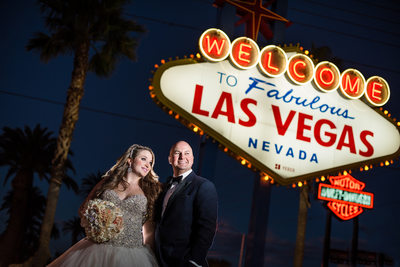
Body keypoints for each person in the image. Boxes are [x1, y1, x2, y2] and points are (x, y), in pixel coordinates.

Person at [48, 144, 162, 267]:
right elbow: (83, 209)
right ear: (130, 160)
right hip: (95, 250)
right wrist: (97, 222)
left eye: (150, 162)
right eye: (143, 159)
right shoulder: (107, 182)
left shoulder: (150, 191)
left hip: (132, 254)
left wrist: (151, 256)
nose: (147, 165)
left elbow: (149, 229)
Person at [154, 141, 218, 267]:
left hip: (184, 262)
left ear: (193, 159)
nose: (182, 157)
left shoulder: (204, 186)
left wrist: (194, 261)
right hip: (157, 259)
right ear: (170, 159)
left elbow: (207, 228)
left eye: (187, 153)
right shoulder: (164, 187)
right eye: (178, 153)